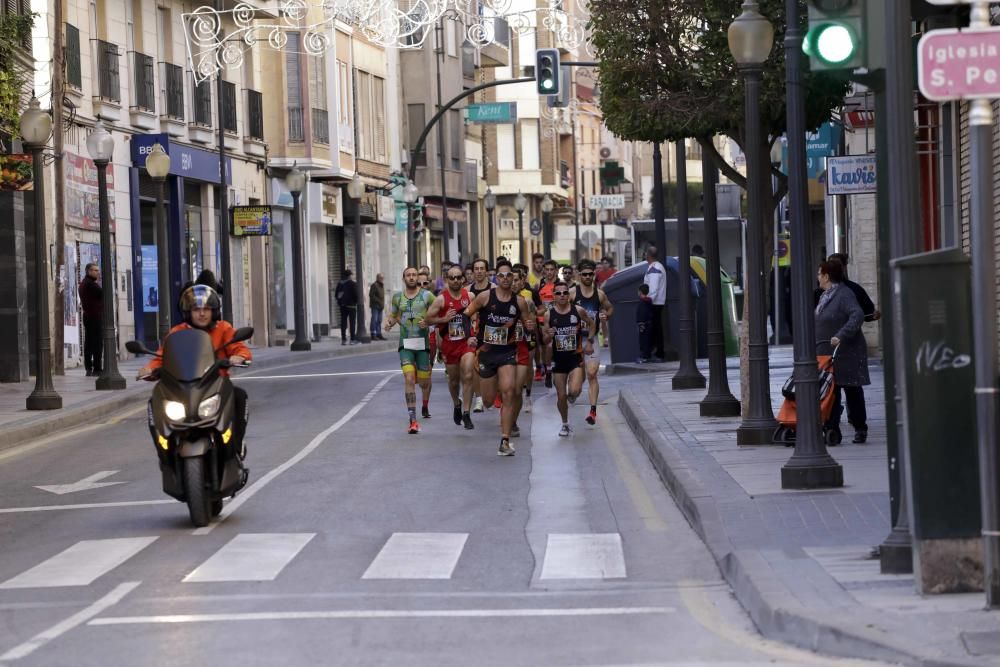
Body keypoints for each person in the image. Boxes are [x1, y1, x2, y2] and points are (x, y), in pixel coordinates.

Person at [138, 284, 251, 462]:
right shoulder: (177, 333)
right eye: (196, 309)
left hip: (215, 386)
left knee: (240, 396)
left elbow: (239, 347)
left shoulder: (223, 328)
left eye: (206, 309)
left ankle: (236, 445)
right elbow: (162, 357)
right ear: (187, 312)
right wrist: (150, 369)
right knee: (154, 402)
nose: (202, 313)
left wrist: (239, 356)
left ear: (214, 311)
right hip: (183, 388)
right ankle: (164, 453)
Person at [465, 259, 535, 456]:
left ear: (513, 278)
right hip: (487, 353)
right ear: (496, 277)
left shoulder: (519, 302)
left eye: (508, 275)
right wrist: (470, 335)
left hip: (507, 352)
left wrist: (529, 328)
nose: (505, 279)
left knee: (509, 391)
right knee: (487, 401)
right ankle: (489, 384)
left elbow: (528, 325)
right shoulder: (485, 297)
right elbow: (465, 314)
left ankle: (505, 440)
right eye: (501, 276)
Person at [815, 259, 870, 444]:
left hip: (847, 351)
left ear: (826, 276)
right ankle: (831, 427)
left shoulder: (844, 294)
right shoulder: (825, 296)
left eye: (819, 274)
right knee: (832, 391)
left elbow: (858, 314)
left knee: (852, 389)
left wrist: (841, 335)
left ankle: (860, 427)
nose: (818, 277)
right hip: (830, 352)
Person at [386, 267, 436, 434]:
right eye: (409, 275)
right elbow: (393, 315)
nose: (412, 277)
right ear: (404, 278)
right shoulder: (397, 297)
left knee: (423, 382)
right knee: (409, 378)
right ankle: (413, 420)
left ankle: (422, 402)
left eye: (414, 275)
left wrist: (428, 321)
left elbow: (438, 311)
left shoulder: (427, 296)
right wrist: (389, 323)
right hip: (405, 345)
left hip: (423, 345)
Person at [425, 265, 476, 430]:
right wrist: (444, 319)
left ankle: (467, 413)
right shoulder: (441, 299)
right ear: (447, 280)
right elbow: (428, 319)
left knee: (468, 375)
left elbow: (477, 317)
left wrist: (475, 333)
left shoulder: (470, 296)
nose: (455, 280)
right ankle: (457, 404)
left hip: (466, 343)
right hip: (449, 344)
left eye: (458, 277)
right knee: (454, 381)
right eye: (452, 278)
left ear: (463, 279)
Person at [542, 280, 595, 437]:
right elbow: (545, 340)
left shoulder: (578, 311)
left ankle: (573, 396)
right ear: (554, 296)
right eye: (558, 293)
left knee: (574, 390)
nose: (562, 295)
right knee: (561, 396)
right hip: (558, 360)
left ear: (568, 295)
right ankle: (565, 423)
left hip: (575, 357)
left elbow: (592, 324)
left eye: (565, 292)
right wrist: (548, 335)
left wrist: (590, 341)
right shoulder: (548, 314)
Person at [573, 259, 614, 425]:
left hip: (592, 338)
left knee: (592, 373)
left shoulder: (600, 294)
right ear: (579, 275)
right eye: (585, 274)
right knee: (577, 381)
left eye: (591, 274)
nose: (588, 277)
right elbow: (559, 309)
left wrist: (606, 315)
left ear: (594, 275)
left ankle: (592, 411)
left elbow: (610, 308)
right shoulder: (572, 294)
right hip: (574, 339)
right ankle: (573, 392)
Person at [465, 259, 494, 413]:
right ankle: (478, 398)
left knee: (492, 366)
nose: (479, 271)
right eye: (476, 268)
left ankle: (492, 394)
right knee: (473, 365)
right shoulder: (467, 290)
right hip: (473, 333)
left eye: (482, 268)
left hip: (492, 333)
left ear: (487, 271)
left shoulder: (494, 289)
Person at [510, 266, 537, 428]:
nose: (513, 283)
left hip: (522, 344)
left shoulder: (528, 301)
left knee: (517, 390)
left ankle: (513, 421)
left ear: (522, 282)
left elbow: (532, 324)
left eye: (516, 280)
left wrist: (528, 324)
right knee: (507, 389)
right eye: (510, 280)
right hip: (503, 348)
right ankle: (508, 418)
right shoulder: (497, 299)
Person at [532, 259, 559, 385]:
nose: (549, 272)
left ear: (556, 270)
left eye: (551, 270)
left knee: (552, 346)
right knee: (545, 346)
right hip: (542, 321)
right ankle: (547, 368)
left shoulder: (560, 285)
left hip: (557, 320)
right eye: (547, 270)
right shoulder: (540, 285)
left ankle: (553, 367)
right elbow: (538, 303)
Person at [643, 246, 667, 360]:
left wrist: (648, 300)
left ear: (648, 255)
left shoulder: (654, 269)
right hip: (658, 302)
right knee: (656, 328)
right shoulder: (657, 267)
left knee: (654, 329)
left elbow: (653, 288)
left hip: (654, 303)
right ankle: (657, 353)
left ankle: (657, 353)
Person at [79, 263, 103, 376]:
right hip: (95, 317)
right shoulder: (90, 284)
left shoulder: (84, 283)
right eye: (95, 270)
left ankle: (88, 367)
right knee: (97, 343)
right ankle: (97, 368)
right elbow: (103, 294)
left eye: (98, 270)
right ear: (88, 271)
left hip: (88, 316)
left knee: (89, 342)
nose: (97, 272)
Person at [335, 269, 359, 345]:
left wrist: (340, 301)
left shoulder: (340, 284)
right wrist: (355, 301)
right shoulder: (353, 284)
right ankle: (352, 339)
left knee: (343, 322)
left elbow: (336, 295)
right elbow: (355, 295)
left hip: (343, 305)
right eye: (351, 275)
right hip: (351, 305)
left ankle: (343, 339)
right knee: (352, 322)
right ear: (349, 276)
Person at [636, 283, 654, 362]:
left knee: (643, 341)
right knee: (647, 340)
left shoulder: (642, 303)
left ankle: (645, 357)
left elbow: (642, 314)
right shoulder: (649, 301)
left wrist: (641, 324)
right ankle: (647, 356)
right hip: (649, 324)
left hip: (644, 325)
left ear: (640, 292)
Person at [369, 273, 386, 340]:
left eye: (383, 278)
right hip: (375, 306)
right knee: (374, 320)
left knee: (379, 320)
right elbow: (371, 295)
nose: (382, 279)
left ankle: (379, 334)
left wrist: (381, 303)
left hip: (380, 306)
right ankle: (373, 334)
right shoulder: (374, 285)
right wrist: (378, 301)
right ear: (377, 278)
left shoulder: (381, 285)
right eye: (381, 278)